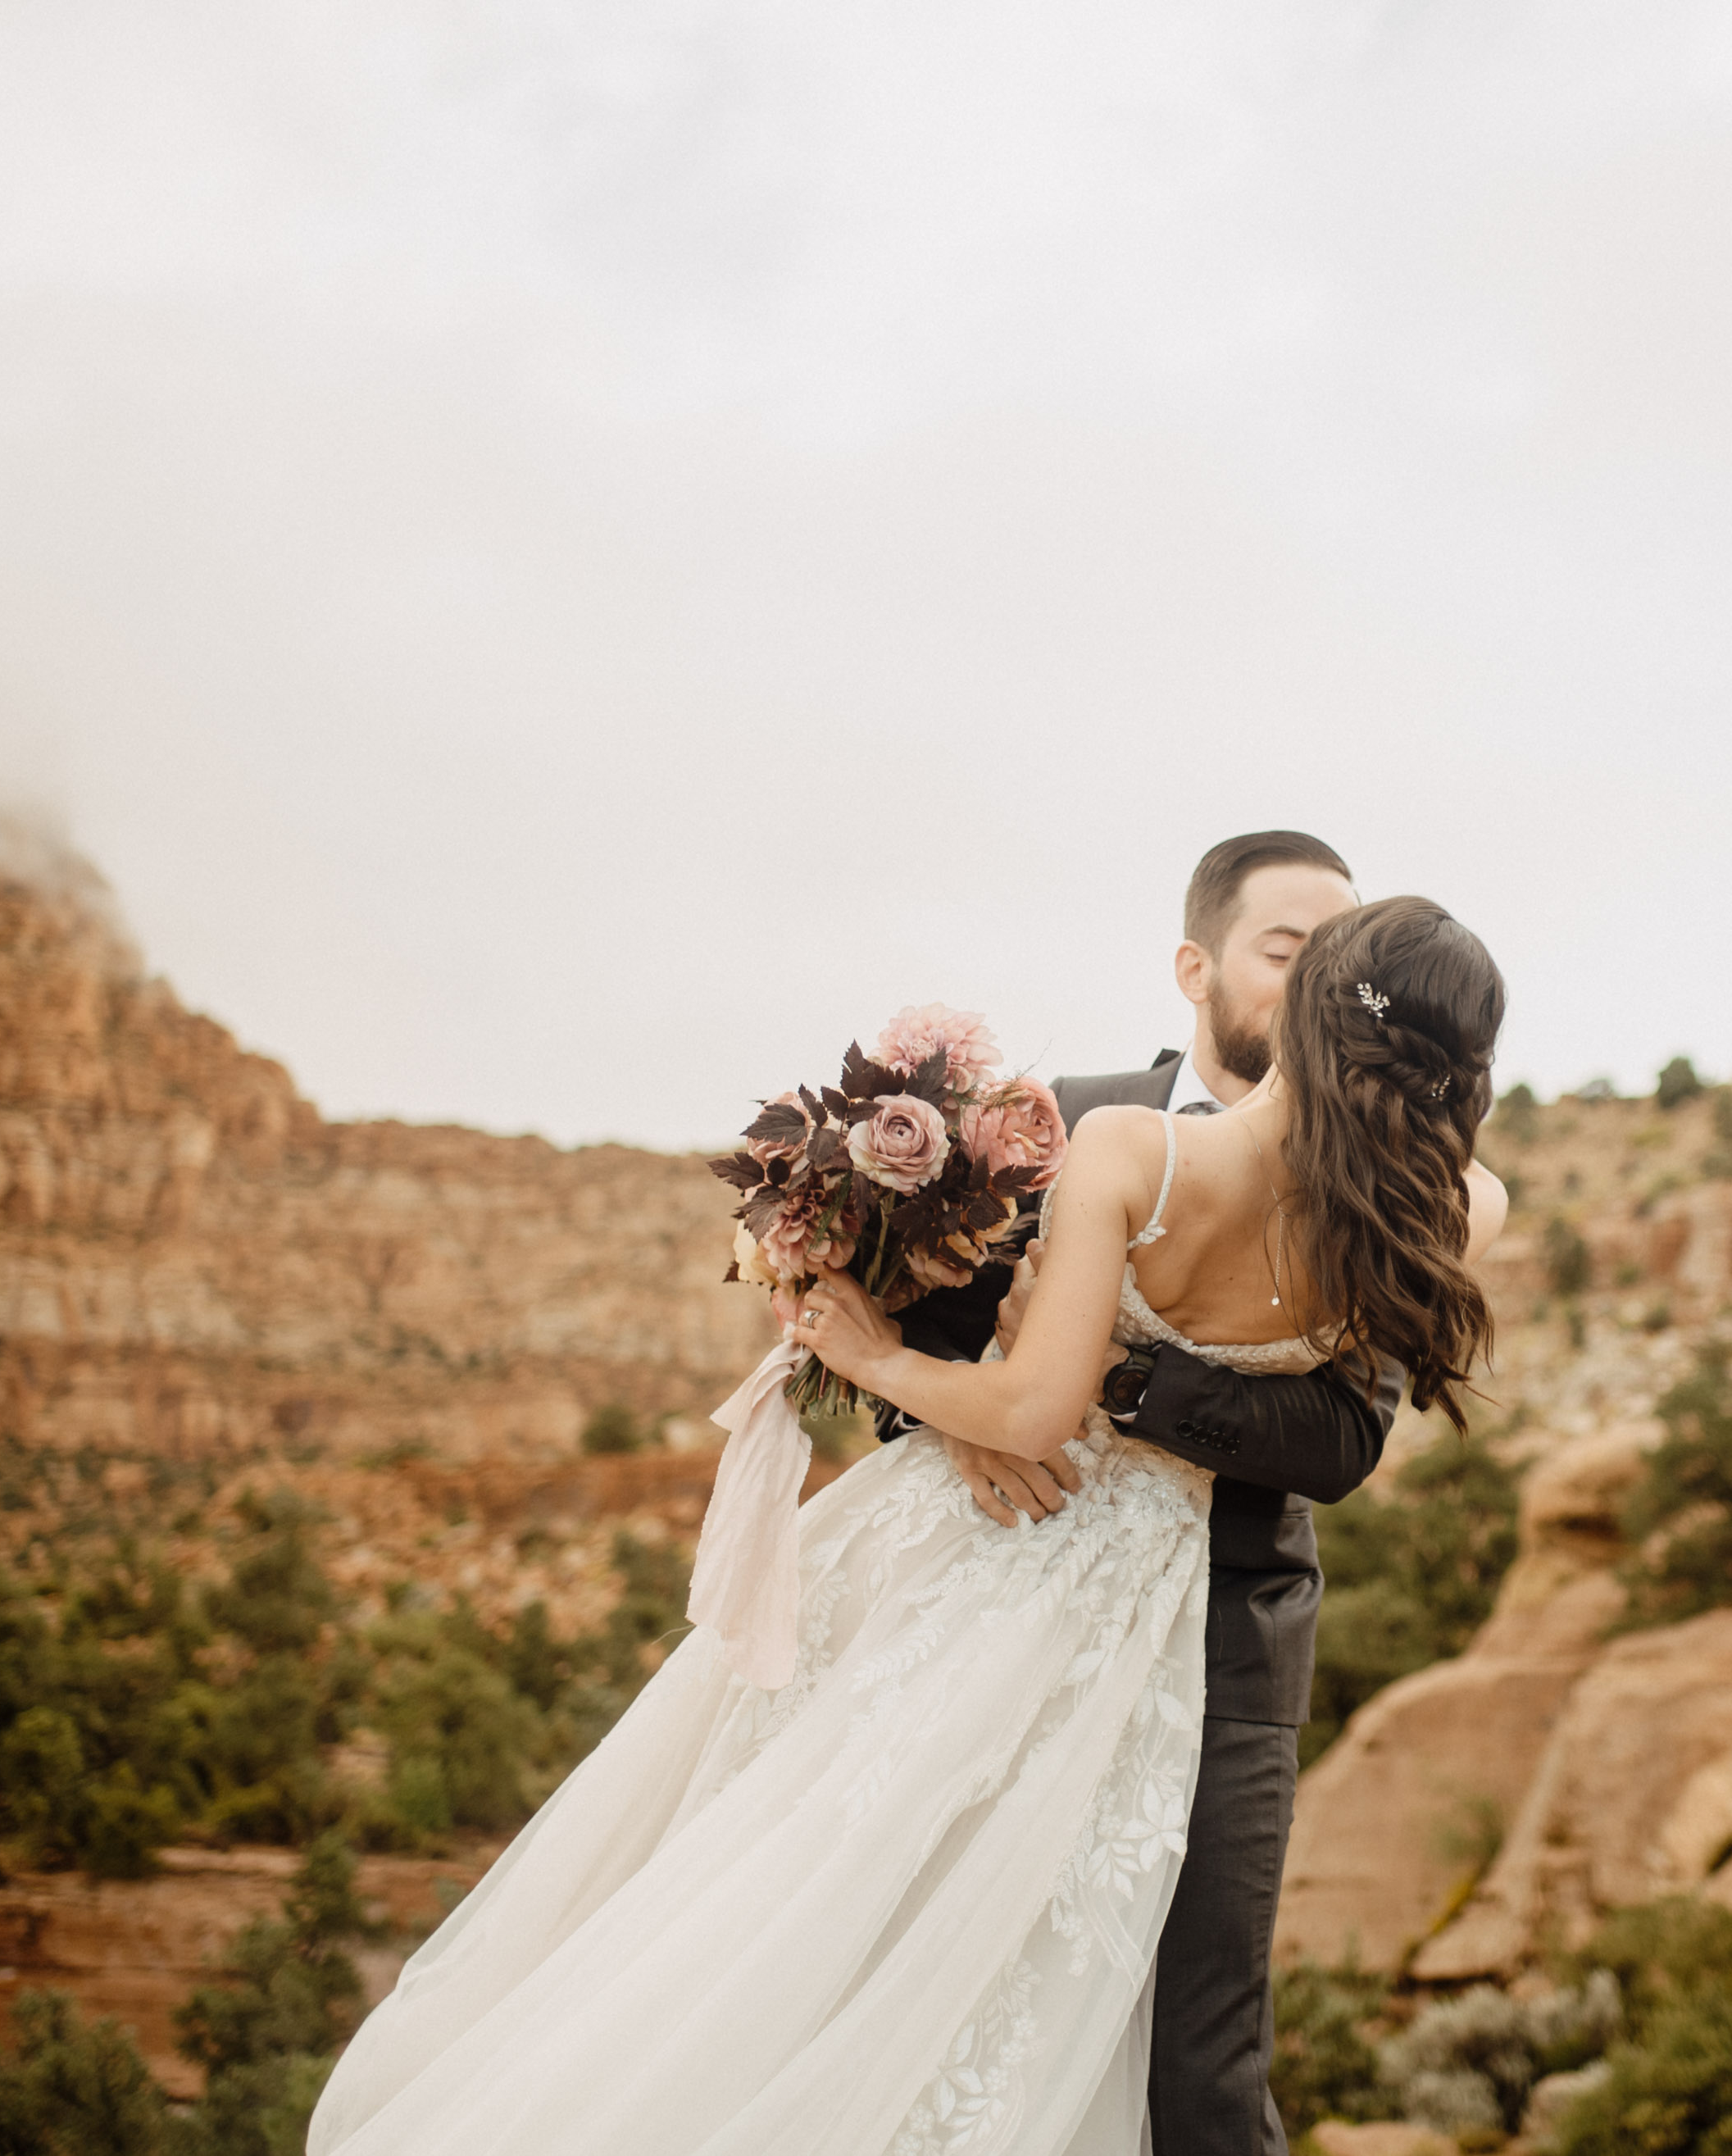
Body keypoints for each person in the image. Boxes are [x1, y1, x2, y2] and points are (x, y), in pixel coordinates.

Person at [307, 894, 1507, 2156]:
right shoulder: (1459, 1212)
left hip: (995, 1555)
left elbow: (1036, 1411)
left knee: (802, 1885)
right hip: (1139, 1615)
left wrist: (869, 1353)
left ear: (1307, 1010)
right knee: (1023, 1972)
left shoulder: (1130, 1154)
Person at [893, 830, 1396, 2156]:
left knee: (1200, 2060)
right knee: (956, 2005)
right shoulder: (1062, 1120)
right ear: (1196, 963)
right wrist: (967, 1427)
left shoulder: (1373, 1183)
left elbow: (1344, 1442)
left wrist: (1115, 1385)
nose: (1316, 990)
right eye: (1287, 954)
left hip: (1231, 1647)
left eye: (1339, 964)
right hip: (1001, 1611)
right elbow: (919, 1335)